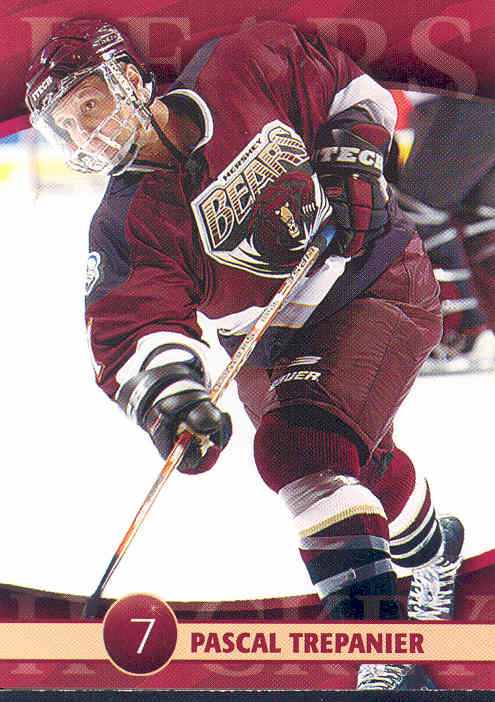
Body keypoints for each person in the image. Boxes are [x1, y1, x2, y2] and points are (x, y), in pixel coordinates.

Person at [26, 18, 464, 689]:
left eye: (88, 103)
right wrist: (173, 400)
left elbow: (351, 89)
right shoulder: (125, 223)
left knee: (301, 451)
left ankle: (384, 653)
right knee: (357, 465)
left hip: (370, 277)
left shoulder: (242, 63)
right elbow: (133, 324)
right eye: (66, 125)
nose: (85, 132)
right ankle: (434, 552)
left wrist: (354, 146)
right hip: (267, 338)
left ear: (130, 77)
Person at [397, 93, 495, 374]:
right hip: (470, 99)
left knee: (418, 214)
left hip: (468, 99)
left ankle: (460, 334)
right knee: (479, 222)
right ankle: (474, 331)